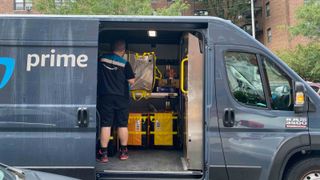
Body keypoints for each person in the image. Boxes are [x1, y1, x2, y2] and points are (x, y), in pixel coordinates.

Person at [97, 40, 135, 163]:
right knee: (122, 124)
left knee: (106, 124)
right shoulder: (125, 63)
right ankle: (123, 152)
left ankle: (103, 154)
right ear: (123, 51)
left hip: (105, 96)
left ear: (111, 48)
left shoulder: (101, 59)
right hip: (121, 97)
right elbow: (131, 81)